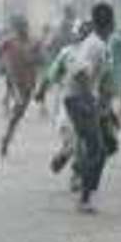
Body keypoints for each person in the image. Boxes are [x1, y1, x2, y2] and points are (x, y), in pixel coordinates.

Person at [61, 2, 116, 213]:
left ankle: (80, 176)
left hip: (77, 98)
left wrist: (102, 107)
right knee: (98, 150)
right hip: (78, 99)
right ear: (111, 24)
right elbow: (81, 71)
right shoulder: (96, 45)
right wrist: (89, 101)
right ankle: (84, 197)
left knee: (105, 147)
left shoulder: (96, 43)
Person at [34, 20, 93, 190]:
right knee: (76, 140)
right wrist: (41, 91)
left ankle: (71, 163)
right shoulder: (67, 53)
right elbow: (51, 74)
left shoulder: (101, 55)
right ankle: (72, 165)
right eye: (83, 33)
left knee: (85, 142)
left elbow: (107, 82)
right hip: (69, 105)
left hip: (91, 105)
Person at [0, 15, 44, 157]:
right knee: (18, 108)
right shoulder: (9, 41)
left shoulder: (35, 42)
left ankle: (6, 137)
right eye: (20, 27)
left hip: (29, 83)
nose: (23, 29)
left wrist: (32, 59)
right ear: (16, 29)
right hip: (14, 81)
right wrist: (4, 64)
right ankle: (6, 138)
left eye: (25, 26)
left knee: (19, 113)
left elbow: (42, 59)